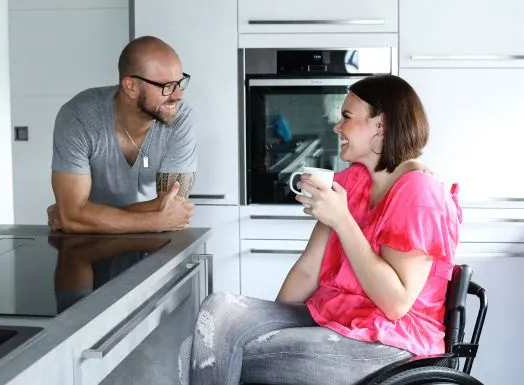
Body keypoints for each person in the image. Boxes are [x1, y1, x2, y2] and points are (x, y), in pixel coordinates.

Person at [179, 74, 463, 385]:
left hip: (391, 343)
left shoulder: (419, 192)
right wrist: (267, 326)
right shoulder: (354, 181)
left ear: (380, 125)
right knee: (218, 311)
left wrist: (343, 221)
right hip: (336, 319)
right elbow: (308, 270)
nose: (337, 126)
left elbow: (395, 304)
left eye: (347, 117)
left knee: (213, 351)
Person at [47, 35, 197, 234]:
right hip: (87, 246)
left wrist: (83, 216)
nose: (179, 95)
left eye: (180, 82)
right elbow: (72, 216)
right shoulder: (79, 116)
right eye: (166, 86)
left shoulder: (180, 118)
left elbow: (171, 207)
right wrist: (154, 222)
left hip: (148, 243)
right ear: (131, 87)